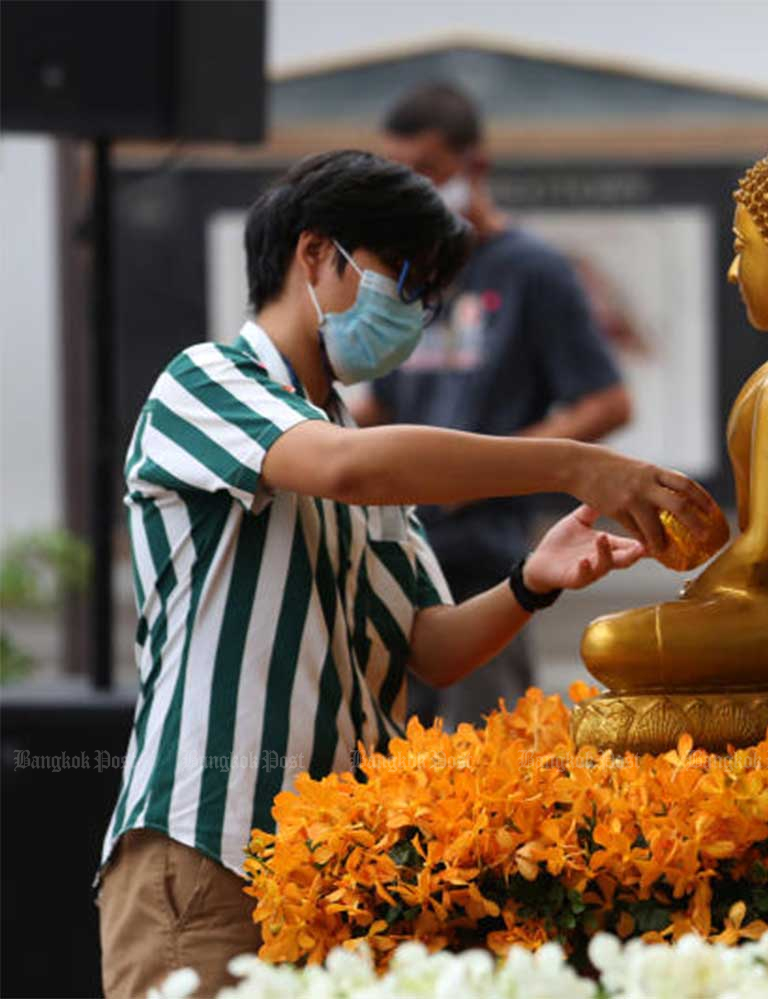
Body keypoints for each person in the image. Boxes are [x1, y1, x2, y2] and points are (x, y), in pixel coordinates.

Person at [96, 149, 713, 999]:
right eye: (401, 280)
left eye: (428, 297)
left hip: (334, 877)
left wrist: (533, 581)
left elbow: (431, 646)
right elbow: (348, 469)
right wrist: (573, 463)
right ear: (317, 255)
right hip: (212, 852)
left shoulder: (354, 438)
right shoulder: (205, 382)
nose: (415, 315)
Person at [353, 82, 632, 725]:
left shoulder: (534, 270)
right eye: (393, 173)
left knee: (484, 758)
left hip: (486, 559)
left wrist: (487, 470)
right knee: (386, 765)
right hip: (394, 552)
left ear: (474, 165)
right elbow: (381, 406)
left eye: (424, 171)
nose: (407, 188)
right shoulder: (407, 272)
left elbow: (606, 401)